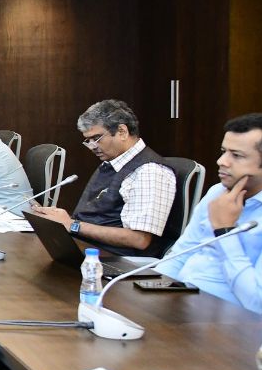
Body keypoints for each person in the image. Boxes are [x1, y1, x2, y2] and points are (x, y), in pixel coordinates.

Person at [157, 113, 262, 322]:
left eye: (237, 155)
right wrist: (152, 290)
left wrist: (224, 231)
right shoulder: (218, 191)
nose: (221, 161)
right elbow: (179, 255)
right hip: (184, 306)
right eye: (223, 151)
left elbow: (259, 302)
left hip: (240, 326)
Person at [31, 100, 177, 257]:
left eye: (97, 138)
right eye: (88, 140)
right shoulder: (112, 161)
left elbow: (139, 239)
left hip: (119, 262)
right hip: (90, 250)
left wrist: (72, 225)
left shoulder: (148, 171)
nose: (92, 146)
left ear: (122, 131)